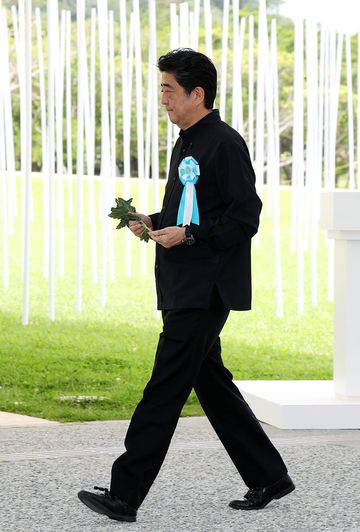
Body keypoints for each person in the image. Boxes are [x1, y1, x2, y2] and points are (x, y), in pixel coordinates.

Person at [78, 48, 295, 523]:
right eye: (161, 89)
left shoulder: (224, 143)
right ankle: (269, 476)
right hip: (183, 282)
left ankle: (124, 495)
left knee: (163, 389)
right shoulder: (187, 141)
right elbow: (191, 210)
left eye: (169, 90)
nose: (163, 99)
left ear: (198, 93)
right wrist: (153, 220)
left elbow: (245, 216)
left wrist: (190, 234)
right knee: (211, 383)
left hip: (206, 289)